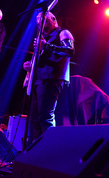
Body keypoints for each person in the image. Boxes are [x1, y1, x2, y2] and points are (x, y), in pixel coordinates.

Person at [23, 11, 74, 140]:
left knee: (45, 116)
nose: (39, 23)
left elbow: (70, 50)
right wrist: (32, 65)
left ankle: (49, 150)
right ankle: (37, 152)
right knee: (34, 119)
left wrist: (47, 46)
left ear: (53, 19)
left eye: (42, 20)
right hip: (38, 79)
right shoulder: (44, 38)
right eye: (38, 21)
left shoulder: (63, 33)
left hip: (52, 78)